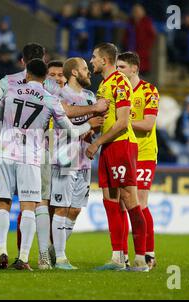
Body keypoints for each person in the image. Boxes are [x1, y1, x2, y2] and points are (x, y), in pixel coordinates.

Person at [0, 58, 104, 271]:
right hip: (31, 154)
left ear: (26, 74)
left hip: (6, 151)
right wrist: (89, 125)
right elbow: (70, 131)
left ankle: (2, 251)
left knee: (2, 202)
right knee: (29, 204)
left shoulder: (10, 90)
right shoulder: (50, 98)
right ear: (45, 77)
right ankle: (24, 258)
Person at [86, 43, 148, 272]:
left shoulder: (120, 81)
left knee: (129, 199)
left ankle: (141, 259)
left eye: (94, 57)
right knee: (110, 200)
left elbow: (122, 122)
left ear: (104, 60)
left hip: (122, 145)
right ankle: (117, 258)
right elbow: (108, 119)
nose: (91, 61)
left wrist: (96, 142)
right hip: (109, 146)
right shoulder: (104, 84)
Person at [50, 57, 98, 270]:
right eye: (85, 69)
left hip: (84, 159)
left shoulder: (89, 96)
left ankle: (54, 250)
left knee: (75, 209)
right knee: (61, 207)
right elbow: (66, 113)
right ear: (75, 73)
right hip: (64, 157)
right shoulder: (59, 94)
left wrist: (93, 129)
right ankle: (60, 257)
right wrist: (90, 119)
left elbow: (98, 122)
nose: (89, 72)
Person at [117, 51, 160, 269]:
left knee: (140, 204)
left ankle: (148, 255)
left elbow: (149, 124)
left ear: (134, 68)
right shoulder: (118, 91)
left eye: (122, 67)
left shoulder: (149, 90)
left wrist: (122, 122)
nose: (118, 71)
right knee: (123, 205)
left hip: (143, 153)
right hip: (124, 152)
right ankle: (123, 256)